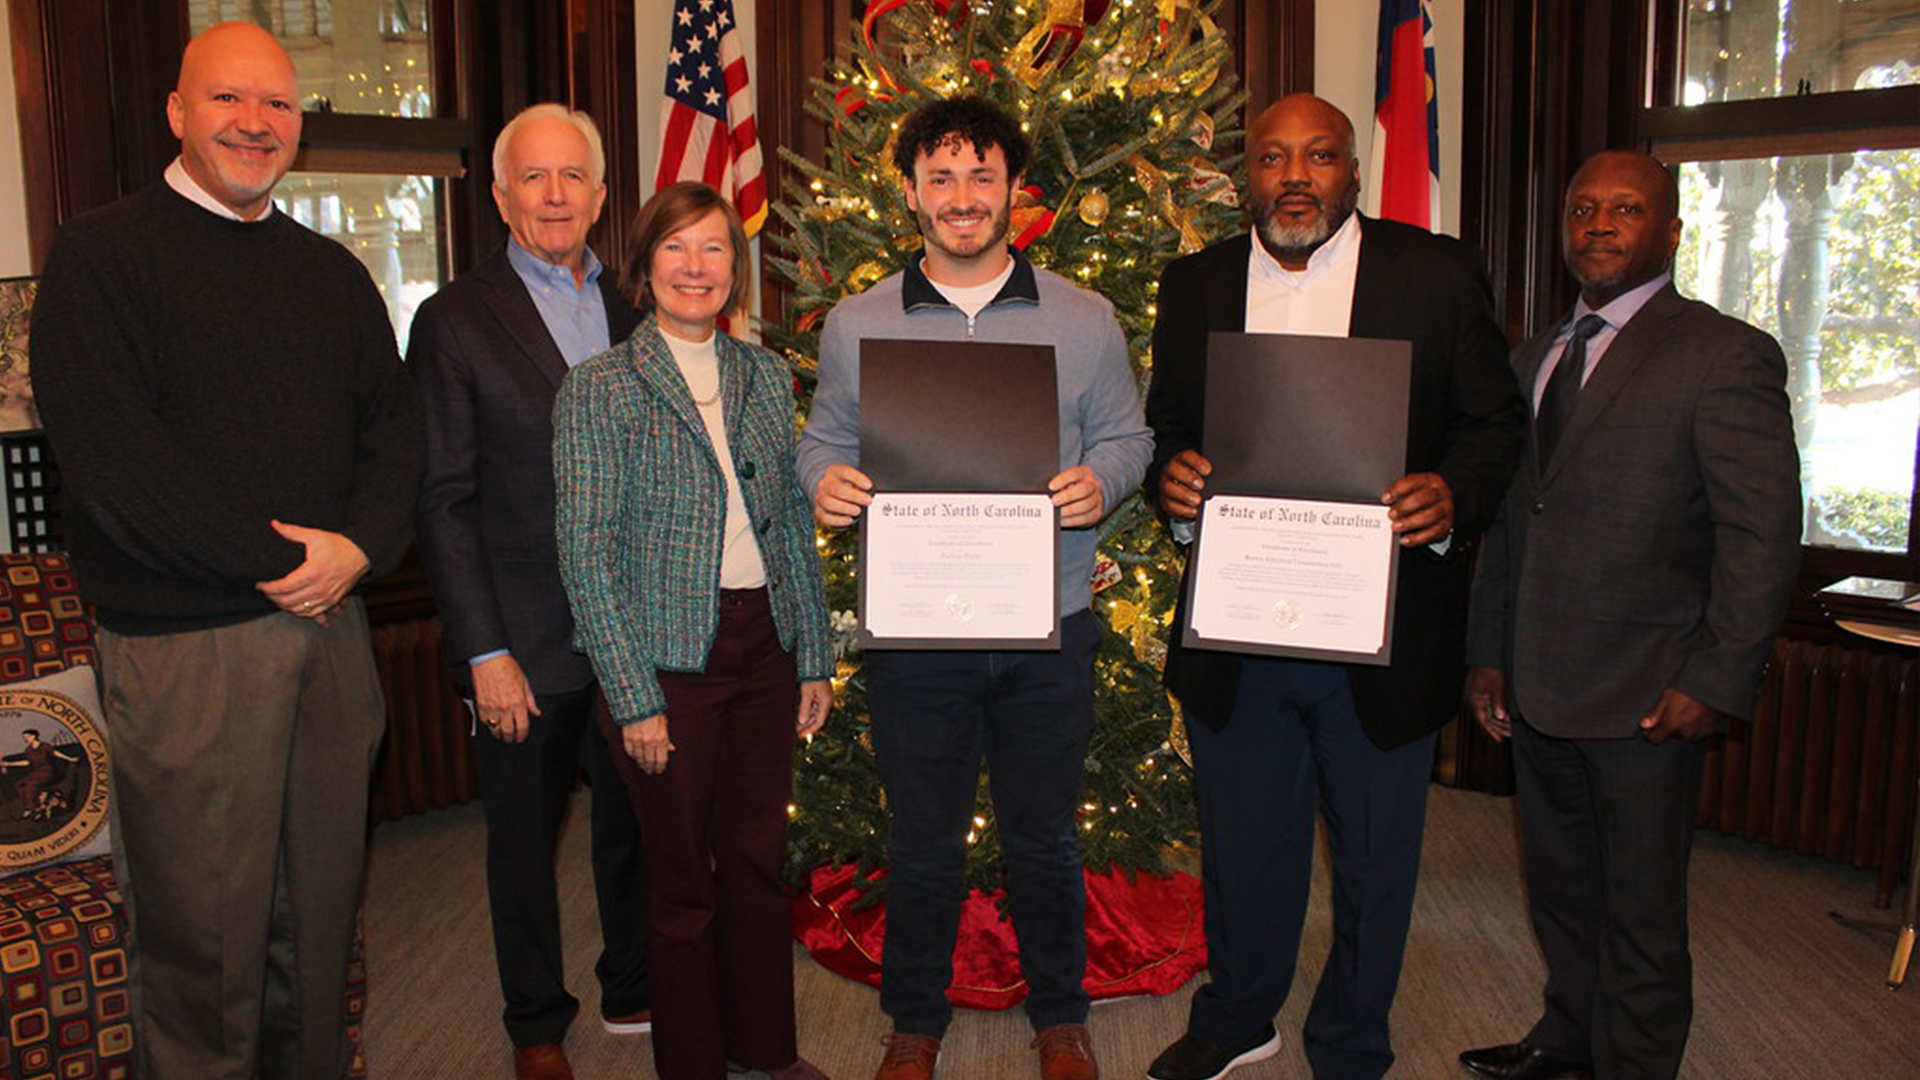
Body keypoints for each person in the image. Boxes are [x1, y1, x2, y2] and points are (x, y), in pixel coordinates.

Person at [28, 20, 423, 1080]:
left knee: (320, 924)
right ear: (177, 112)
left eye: (278, 104)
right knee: (203, 942)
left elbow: (395, 435)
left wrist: (357, 549)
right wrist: (281, 561)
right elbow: (117, 463)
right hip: (189, 652)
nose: (255, 122)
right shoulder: (100, 258)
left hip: (331, 632)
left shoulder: (332, 273)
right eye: (227, 99)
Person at [1142, 93, 1524, 1080]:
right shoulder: (1196, 284)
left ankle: (1352, 1039)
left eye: (1319, 157)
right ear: (1250, 177)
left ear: (1353, 172)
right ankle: (1239, 1016)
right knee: (1243, 841)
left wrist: (1453, 493)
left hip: (1384, 626)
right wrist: (1171, 477)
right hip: (1240, 623)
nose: (1296, 177)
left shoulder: (1435, 275)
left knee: (1374, 852)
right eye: (1275, 158)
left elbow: (1495, 426)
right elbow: (1168, 425)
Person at [797, 94, 1153, 1080]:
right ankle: (914, 1022)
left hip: (1050, 627)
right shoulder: (859, 322)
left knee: (1044, 837)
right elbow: (822, 438)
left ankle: (1060, 1019)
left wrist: (1103, 480)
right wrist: (824, 480)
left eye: (982, 176)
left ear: (1013, 190)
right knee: (922, 839)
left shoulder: (1084, 319)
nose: (963, 196)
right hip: (916, 633)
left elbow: (1129, 437)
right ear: (911, 193)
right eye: (942, 177)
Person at [1457, 150, 1801, 1080]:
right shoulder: (1533, 356)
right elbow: (1513, 521)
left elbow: (1761, 534)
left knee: (1641, 910)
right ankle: (1568, 1040)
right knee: (1562, 892)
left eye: (1626, 209)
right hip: (1537, 684)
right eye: (1583, 209)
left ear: (1673, 232)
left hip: (1651, 694)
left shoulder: (1724, 353)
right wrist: (1489, 652)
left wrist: (1715, 677)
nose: (1600, 224)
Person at [553, 180, 834, 1080]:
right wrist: (633, 698)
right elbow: (585, 555)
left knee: (755, 862)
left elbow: (789, 528)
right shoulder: (600, 387)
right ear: (645, 264)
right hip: (666, 664)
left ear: (734, 269)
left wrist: (813, 657)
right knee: (680, 880)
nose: (695, 266)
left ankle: (767, 1052)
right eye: (675, 247)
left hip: (764, 650)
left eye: (714, 247)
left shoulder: (765, 375)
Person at [410, 103, 649, 1080]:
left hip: (633, 628)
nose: (555, 195)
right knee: (522, 841)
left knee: (634, 821)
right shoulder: (453, 320)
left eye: (573, 176)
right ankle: (536, 1022)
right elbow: (443, 500)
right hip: (522, 636)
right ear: (502, 197)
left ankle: (633, 985)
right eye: (534, 178)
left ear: (600, 194)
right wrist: (484, 651)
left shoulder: (638, 306)